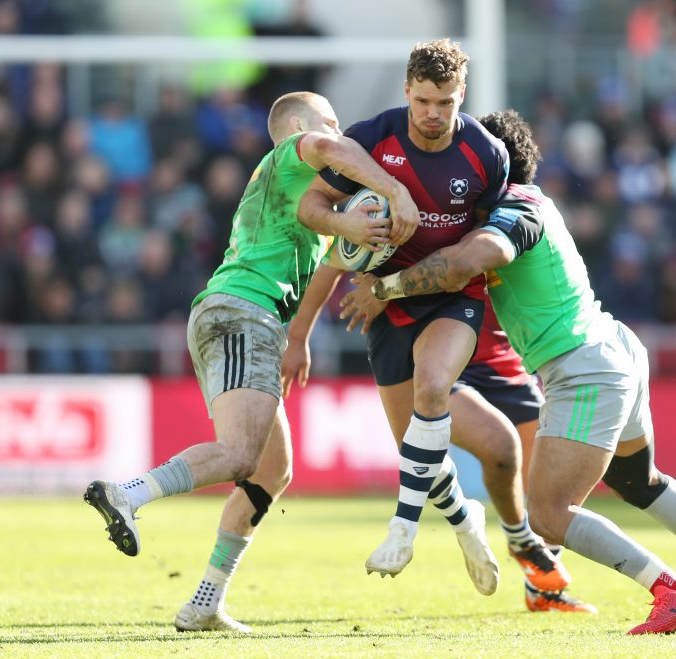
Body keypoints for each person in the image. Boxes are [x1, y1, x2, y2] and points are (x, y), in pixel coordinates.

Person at [341, 109, 676, 635]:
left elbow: (467, 262)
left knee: (548, 513)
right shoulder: (522, 203)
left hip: (583, 368)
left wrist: (384, 288)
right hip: (612, 348)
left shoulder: (515, 206)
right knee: (638, 481)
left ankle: (673, 591)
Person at [83, 90, 420, 632]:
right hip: (245, 313)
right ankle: (128, 494)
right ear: (296, 128)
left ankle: (206, 600)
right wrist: (396, 189)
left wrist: (299, 336)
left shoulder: (296, 195)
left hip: (241, 317)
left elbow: (333, 246)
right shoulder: (293, 152)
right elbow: (331, 147)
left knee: (271, 471)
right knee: (241, 455)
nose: (338, 134)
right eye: (328, 123)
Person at [297, 39, 509, 593]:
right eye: (422, 102)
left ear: (462, 95)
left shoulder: (486, 156)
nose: (433, 114)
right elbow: (310, 207)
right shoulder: (372, 139)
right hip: (382, 303)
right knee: (419, 447)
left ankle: (402, 527)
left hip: (452, 297)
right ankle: (467, 523)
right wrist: (347, 229)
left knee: (433, 388)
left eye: (445, 102)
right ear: (406, 93)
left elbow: (481, 248)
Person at [284, 273, 596, 613]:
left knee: (547, 479)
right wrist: (299, 336)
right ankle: (515, 537)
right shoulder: (416, 223)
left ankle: (542, 587)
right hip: (440, 359)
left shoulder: (506, 221)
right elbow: (337, 260)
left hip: (504, 361)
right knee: (494, 449)